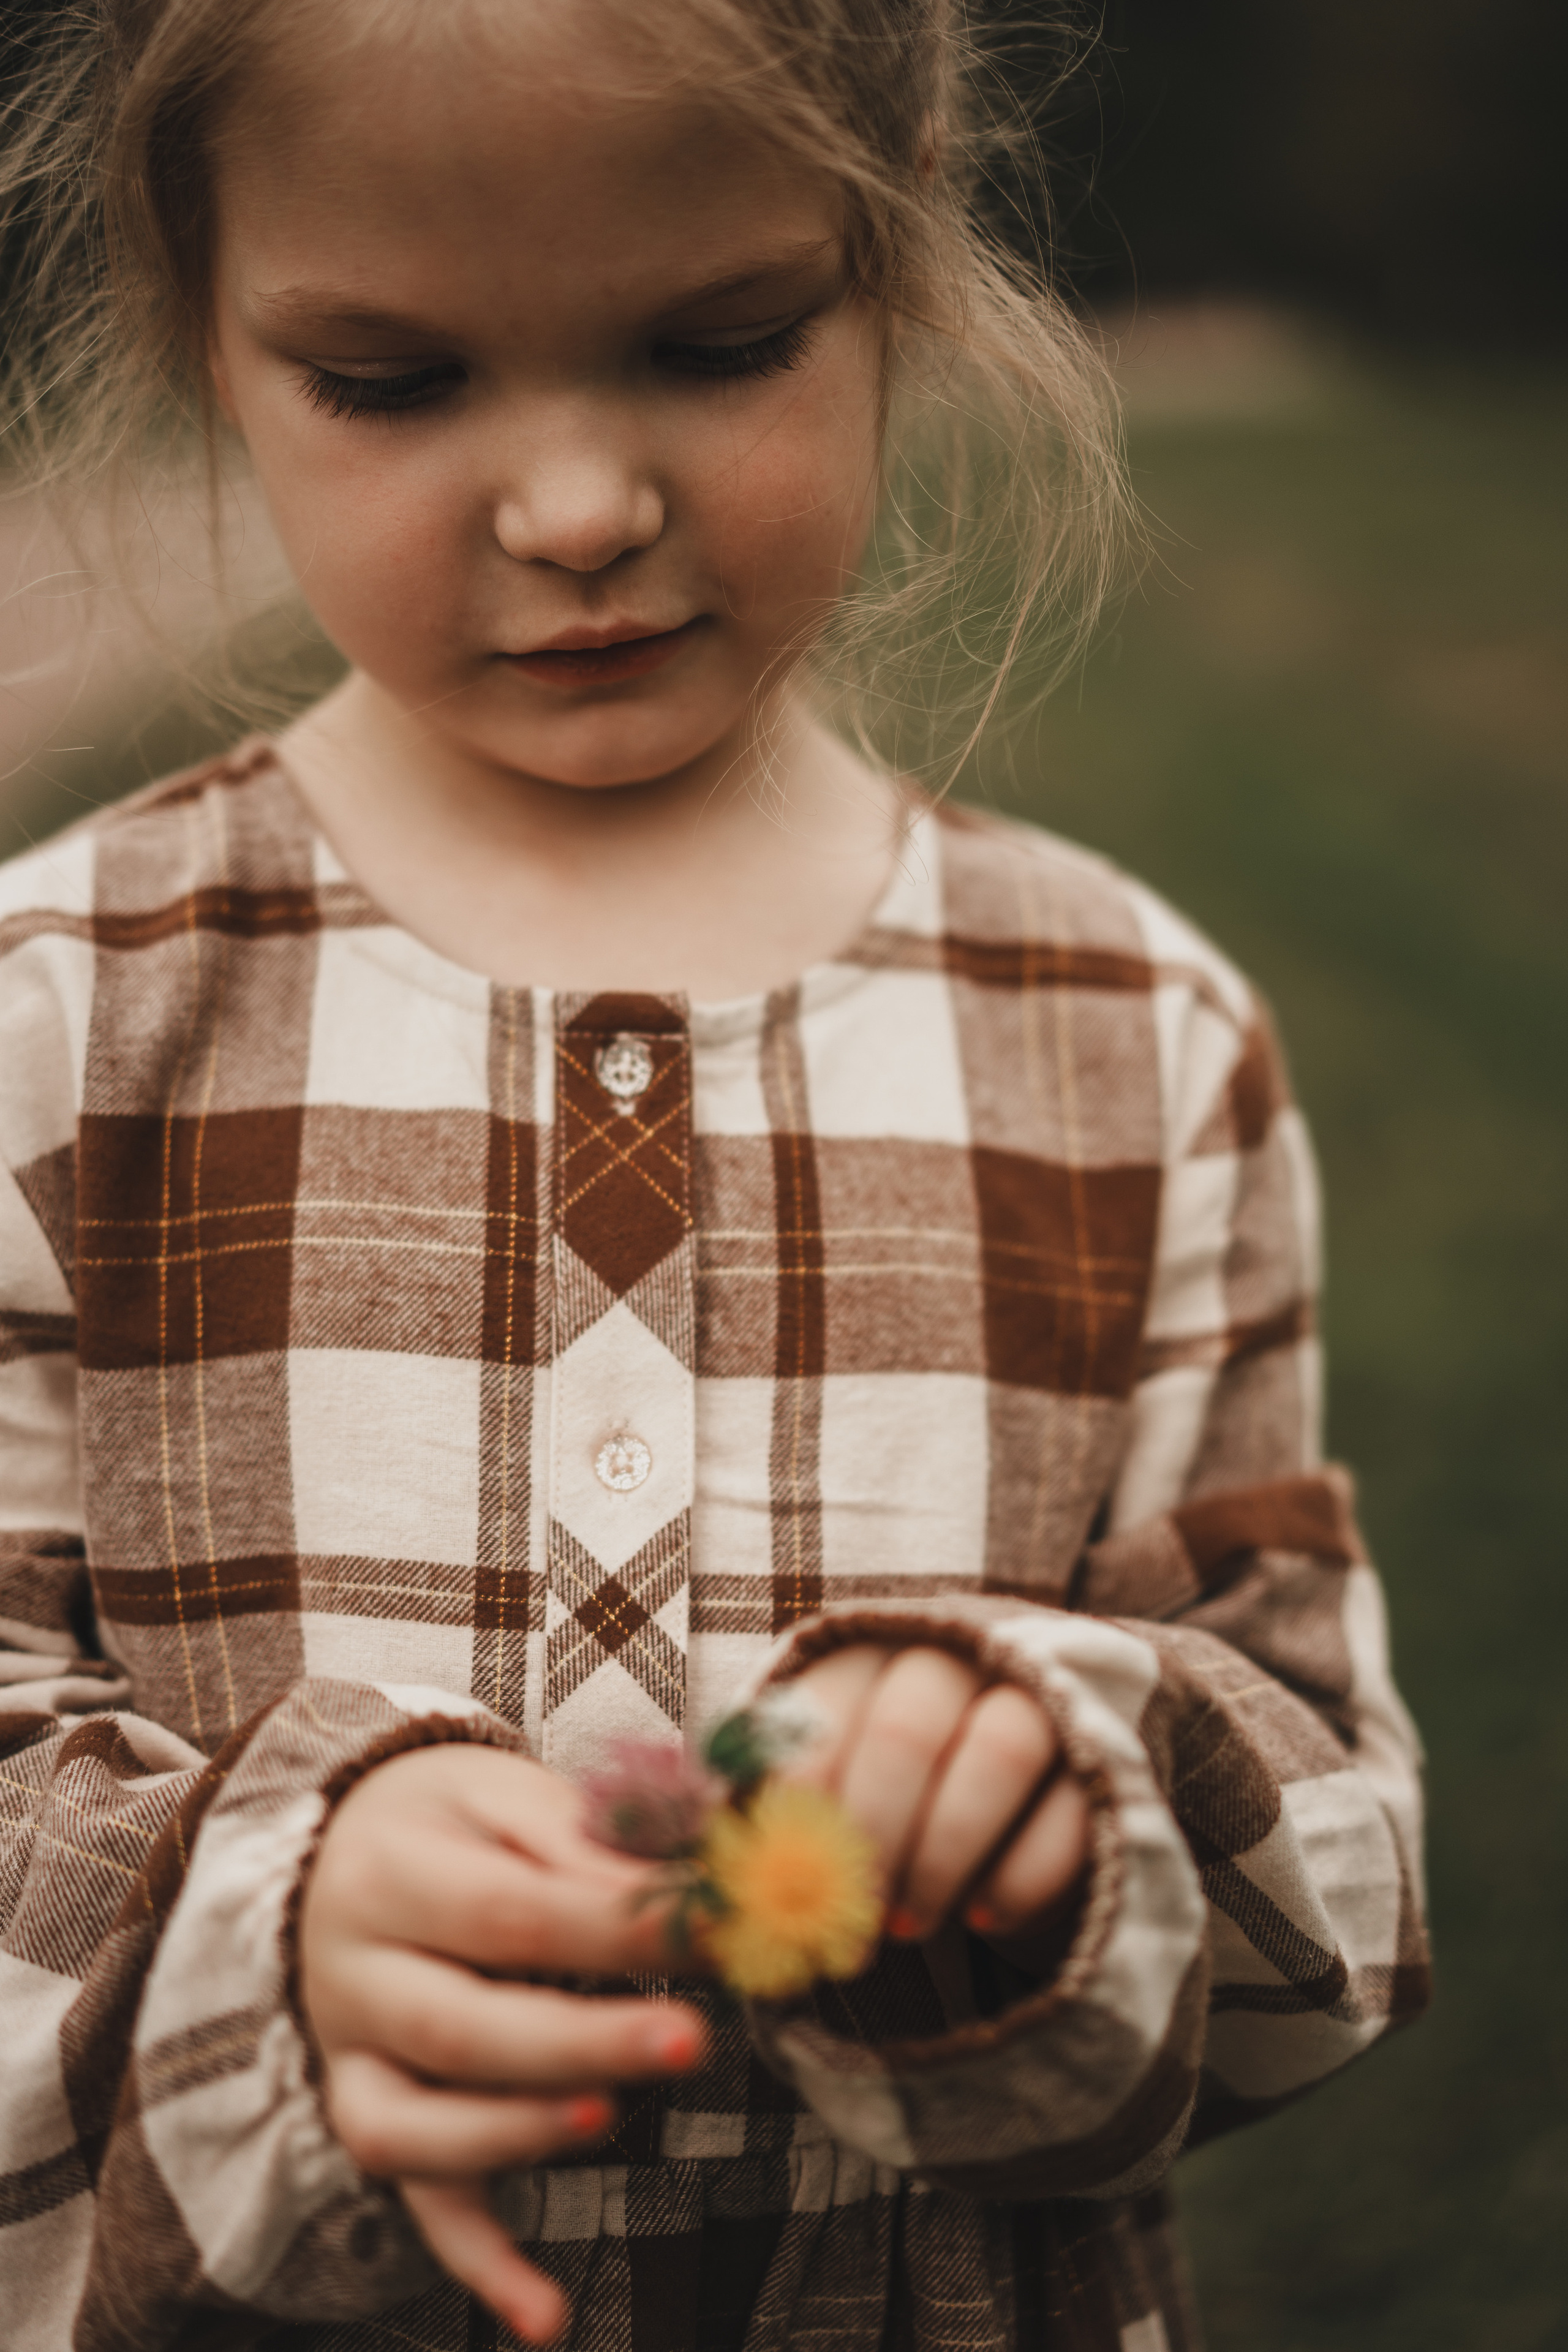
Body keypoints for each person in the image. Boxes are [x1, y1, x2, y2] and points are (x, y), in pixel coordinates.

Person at [0, 2, 1430, 2346]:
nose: (576, 508)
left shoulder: (1126, 1039)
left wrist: (1066, 1795)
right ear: (201, 309)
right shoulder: (66, 1020)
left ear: (900, 234)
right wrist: (260, 1931)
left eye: (721, 340)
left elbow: (1335, 1901)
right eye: (393, 379)